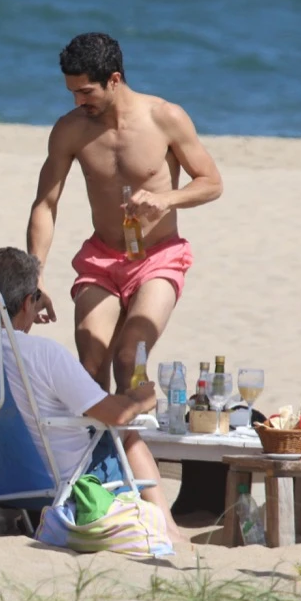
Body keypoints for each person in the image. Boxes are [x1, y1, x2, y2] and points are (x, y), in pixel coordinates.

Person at [26, 32, 223, 392]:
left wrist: (167, 200)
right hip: (102, 260)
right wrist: (34, 272)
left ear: (114, 79)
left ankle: (134, 441)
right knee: (89, 365)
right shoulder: (70, 129)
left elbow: (211, 182)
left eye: (86, 91)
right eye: (72, 91)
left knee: (129, 358)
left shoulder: (166, 118)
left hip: (158, 258)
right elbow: (45, 203)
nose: (77, 100)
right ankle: (103, 448)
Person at [0, 247, 182, 540]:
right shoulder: (44, 354)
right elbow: (116, 414)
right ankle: (169, 529)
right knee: (129, 434)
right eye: (36, 299)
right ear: (25, 304)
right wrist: (141, 399)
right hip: (63, 481)